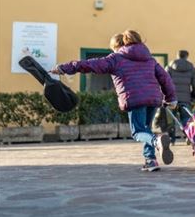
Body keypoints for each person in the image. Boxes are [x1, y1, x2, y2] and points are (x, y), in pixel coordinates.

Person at [51, 30, 177, 172]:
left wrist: (64, 68)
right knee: (146, 130)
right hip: (153, 98)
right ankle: (151, 160)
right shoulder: (150, 59)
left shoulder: (116, 58)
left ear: (117, 46)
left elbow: (90, 64)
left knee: (138, 132)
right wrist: (171, 98)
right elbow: (165, 78)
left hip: (135, 99)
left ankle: (156, 142)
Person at [165, 50, 195, 145]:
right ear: (186, 56)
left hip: (171, 98)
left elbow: (164, 82)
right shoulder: (192, 68)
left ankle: (172, 139)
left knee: (171, 119)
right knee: (186, 119)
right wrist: (193, 95)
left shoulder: (169, 67)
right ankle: (188, 136)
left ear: (177, 56)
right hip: (186, 98)